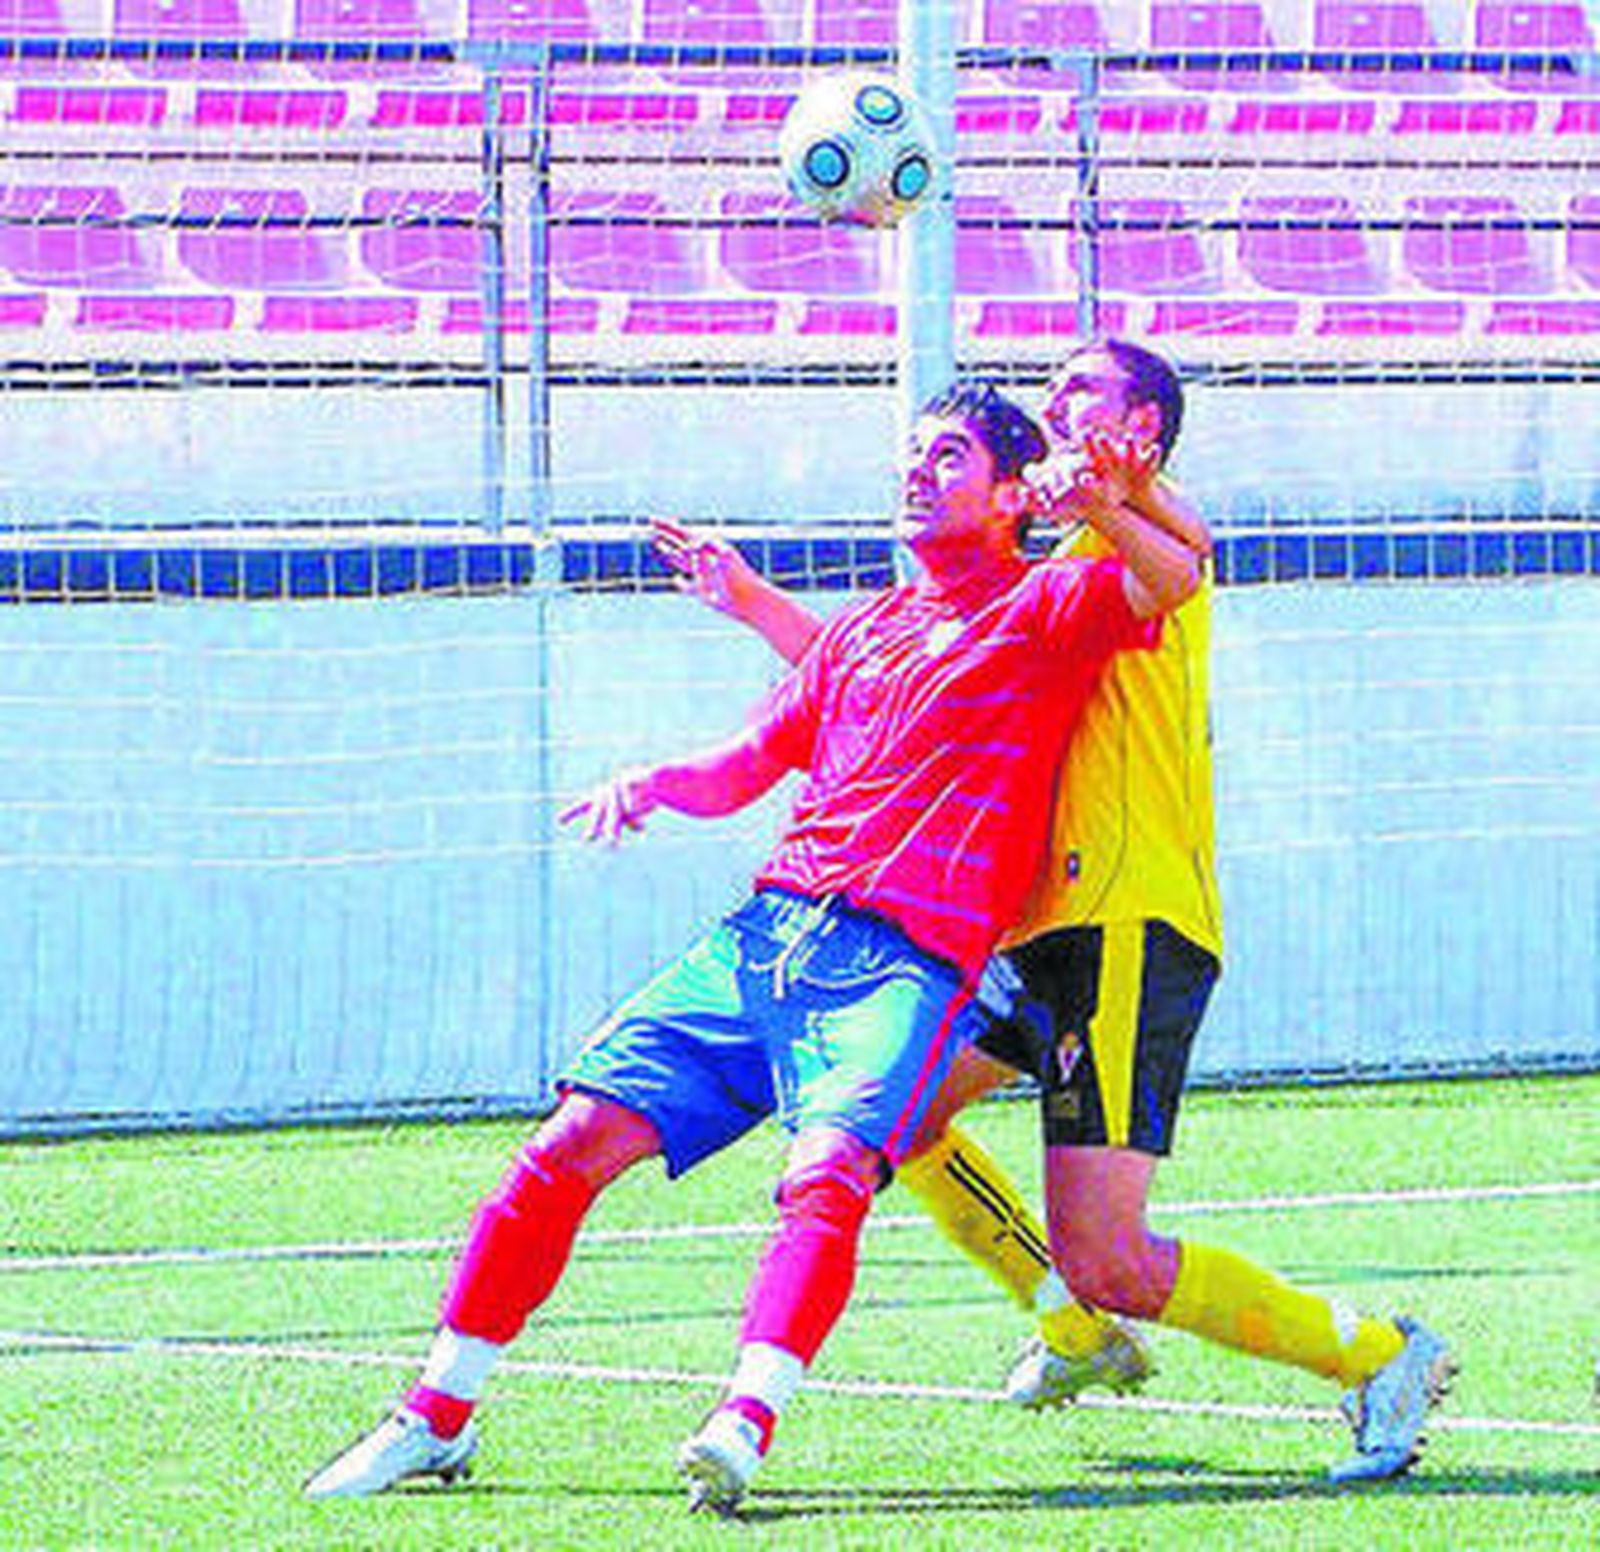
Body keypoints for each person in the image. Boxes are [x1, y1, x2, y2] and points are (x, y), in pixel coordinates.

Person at [303, 378, 1201, 1513]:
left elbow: (1172, 574)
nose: (917, 472)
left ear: (1014, 495)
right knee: (564, 1147)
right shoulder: (865, 632)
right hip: (762, 943)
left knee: (823, 1176)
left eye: (950, 457)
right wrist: (652, 782)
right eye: (913, 455)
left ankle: (742, 1420)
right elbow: (745, 765)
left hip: (900, 965)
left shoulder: (1046, 605)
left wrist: (1118, 501)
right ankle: (432, 1416)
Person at [653, 338, 1455, 1485]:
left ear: (1145, 429)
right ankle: (1074, 1330)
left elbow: (1192, 553)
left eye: (1084, 388)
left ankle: (1378, 1355)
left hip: (1124, 920)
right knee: (902, 1122)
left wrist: (1126, 492)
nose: (1054, 399)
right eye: (1055, 388)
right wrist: (749, 602)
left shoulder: (1130, 547)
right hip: (1034, 933)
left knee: (1112, 1253)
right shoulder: (1028, 576)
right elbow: (872, 681)